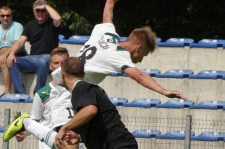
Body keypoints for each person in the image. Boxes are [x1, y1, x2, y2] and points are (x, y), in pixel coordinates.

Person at [51, 0, 186, 101]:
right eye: (142, 55)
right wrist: (163, 91)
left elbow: (109, 7)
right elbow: (139, 76)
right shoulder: (118, 55)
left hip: (56, 82)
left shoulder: (107, 34)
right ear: (138, 48)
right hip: (68, 94)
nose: (140, 60)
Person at [6, 0, 61, 95]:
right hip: (32, 59)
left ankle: (39, 93)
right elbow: (20, 42)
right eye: (37, 10)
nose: (40, 13)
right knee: (12, 62)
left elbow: (58, 18)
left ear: (47, 11)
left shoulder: (52, 23)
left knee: (42, 60)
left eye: (42, 10)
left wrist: (46, 6)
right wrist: (12, 53)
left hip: (48, 57)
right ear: (34, 12)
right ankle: (20, 94)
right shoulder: (30, 25)